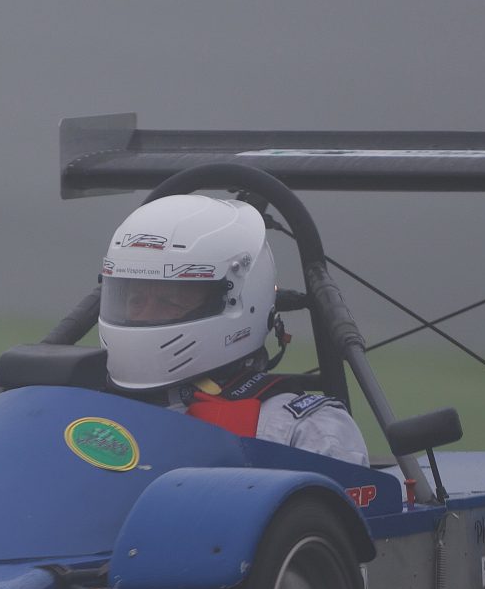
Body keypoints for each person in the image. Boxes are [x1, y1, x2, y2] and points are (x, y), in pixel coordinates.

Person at [94, 193, 370, 465]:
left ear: (240, 302)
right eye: (135, 300)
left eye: (169, 301)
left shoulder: (302, 431)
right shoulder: (81, 411)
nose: (146, 315)